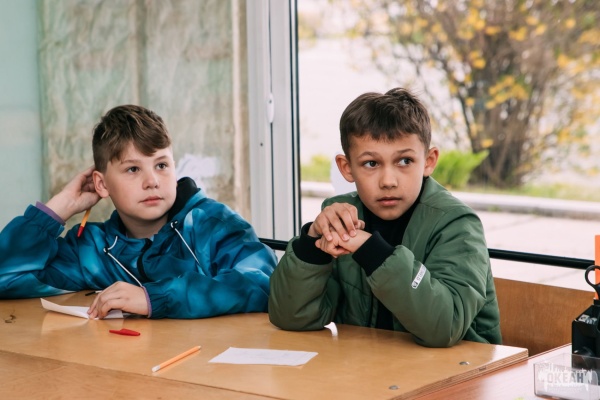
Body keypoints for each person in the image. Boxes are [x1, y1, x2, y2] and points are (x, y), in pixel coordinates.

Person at [268, 88, 501, 347]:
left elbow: (444, 327)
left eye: (404, 161)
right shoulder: (341, 216)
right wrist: (312, 245)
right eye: (371, 163)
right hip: (371, 366)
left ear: (428, 161)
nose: (388, 181)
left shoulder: (457, 224)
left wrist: (371, 251)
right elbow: (291, 317)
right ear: (347, 168)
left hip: (462, 369)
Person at [0, 105, 276, 319]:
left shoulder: (214, 224)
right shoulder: (93, 250)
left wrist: (153, 298)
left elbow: (262, 283)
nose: (152, 181)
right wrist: (60, 207)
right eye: (133, 169)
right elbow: (7, 279)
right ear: (102, 184)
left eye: (161, 165)